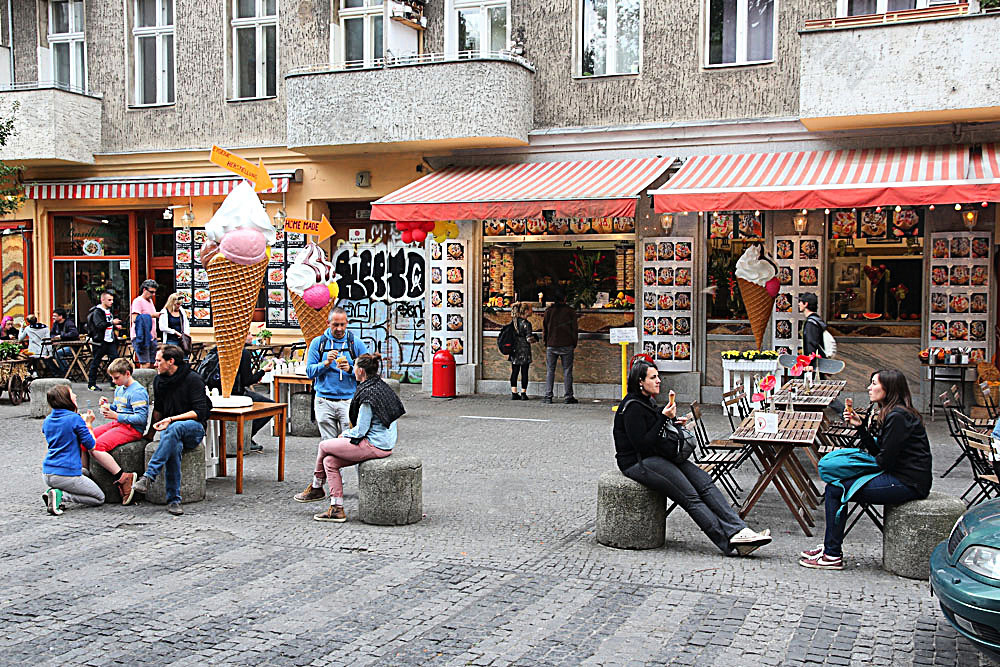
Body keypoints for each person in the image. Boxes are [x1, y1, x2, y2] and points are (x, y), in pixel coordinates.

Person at [613, 359, 771, 556]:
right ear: (640, 382)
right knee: (690, 496)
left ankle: (740, 530)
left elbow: (654, 433)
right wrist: (663, 418)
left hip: (657, 455)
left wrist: (671, 421)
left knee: (704, 482)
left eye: (658, 376)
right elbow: (642, 444)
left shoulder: (648, 402)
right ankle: (728, 543)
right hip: (638, 462)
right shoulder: (632, 407)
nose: (659, 381)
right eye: (653, 377)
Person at [800, 369, 932, 570]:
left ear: (888, 389)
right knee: (836, 486)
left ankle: (832, 554)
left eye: (874, 384)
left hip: (908, 483)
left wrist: (854, 468)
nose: (869, 388)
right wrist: (860, 427)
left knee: (836, 489)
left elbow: (883, 461)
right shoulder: (894, 412)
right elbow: (880, 452)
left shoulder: (898, 416)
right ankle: (830, 547)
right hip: (899, 475)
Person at [294, 353, 405, 522]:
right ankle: (336, 508)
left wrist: (344, 434)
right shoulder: (380, 386)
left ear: (360, 371)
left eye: (354, 367)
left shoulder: (368, 395)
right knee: (329, 462)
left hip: (375, 445)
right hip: (383, 442)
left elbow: (360, 430)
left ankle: (316, 486)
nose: (352, 370)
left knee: (324, 446)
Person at [132, 345, 210, 516]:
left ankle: (149, 476)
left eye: (159, 361)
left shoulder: (193, 379)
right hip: (171, 430)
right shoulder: (159, 380)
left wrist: (172, 419)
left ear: (171, 361)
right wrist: (150, 434)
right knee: (173, 447)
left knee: (175, 428)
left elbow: (199, 412)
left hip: (193, 428)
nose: (154, 364)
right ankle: (174, 500)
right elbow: (158, 409)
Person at [83, 358, 148, 505]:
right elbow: (120, 407)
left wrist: (117, 416)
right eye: (112, 378)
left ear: (127, 373)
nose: (114, 381)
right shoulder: (120, 388)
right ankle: (84, 474)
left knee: (97, 446)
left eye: (116, 378)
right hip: (118, 423)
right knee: (85, 438)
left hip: (132, 429)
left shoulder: (138, 391)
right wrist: (108, 406)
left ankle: (123, 477)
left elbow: (141, 418)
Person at [40, 384, 104, 514]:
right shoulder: (75, 419)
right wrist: (88, 424)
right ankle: (61, 496)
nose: (75, 395)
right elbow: (91, 444)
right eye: (72, 394)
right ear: (65, 399)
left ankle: (52, 493)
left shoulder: (47, 420)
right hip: (65, 473)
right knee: (99, 498)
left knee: (85, 473)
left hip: (48, 472)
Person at [306, 307, 369, 440]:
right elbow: (310, 372)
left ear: (347, 323)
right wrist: (326, 363)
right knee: (328, 443)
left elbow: (368, 373)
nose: (339, 329)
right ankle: (329, 462)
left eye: (342, 324)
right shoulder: (318, 343)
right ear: (328, 323)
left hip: (349, 400)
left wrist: (351, 369)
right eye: (335, 325)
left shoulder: (356, 343)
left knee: (349, 443)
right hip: (323, 400)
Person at [236, 333, 276, 452]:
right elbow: (247, 381)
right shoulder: (243, 353)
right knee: (270, 406)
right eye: (248, 333)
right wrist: (263, 371)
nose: (251, 336)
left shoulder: (216, 350)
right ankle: (246, 437)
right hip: (237, 394)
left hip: (216, 393)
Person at [543, 290, 578, 404]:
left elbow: (545, 328)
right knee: (567, 371)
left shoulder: (548, 311)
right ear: (565, 299)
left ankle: (548, 396)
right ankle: (568, 396)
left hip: (551, 344)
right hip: (567, 344)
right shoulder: (570, 311)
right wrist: (574, 343)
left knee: (550, 371)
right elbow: (574, 329)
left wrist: (546, 342)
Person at [87, 291, 122, 391]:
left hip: (110, 340)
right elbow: (99, 325)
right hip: (100, 341)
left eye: (112, 300)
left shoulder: (108, 311)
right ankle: (91, 384)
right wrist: (112, 322)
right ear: (103, 300)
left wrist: (115, 326)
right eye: (109, 300)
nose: (111, 302)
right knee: (96, 362)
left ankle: (113, 382)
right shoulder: (98, 311)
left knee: (114, 361)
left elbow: (107, 325)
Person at [508, 302, 536, 401]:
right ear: (526, 311)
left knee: (514, 371)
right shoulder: (527, 324)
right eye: (530, 309)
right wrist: (535, 338)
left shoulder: (514, 322)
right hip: (524, 351)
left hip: (514, 350)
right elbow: (529, 339)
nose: (532, 311)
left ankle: (514, 392)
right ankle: (523, 393)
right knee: (524, 372)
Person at [130, 279, 159, 368]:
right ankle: (144, 382)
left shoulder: (150, 301)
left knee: (153, 363)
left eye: (154, 292)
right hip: (141, 337)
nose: (153, 295)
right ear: (144, 290)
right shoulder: (138, 301)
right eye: (151, 292)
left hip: (151, 337)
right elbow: (135, 318)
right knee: (145, 363)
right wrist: (153, 315)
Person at [48, 308, 80, 375]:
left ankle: (66, 372)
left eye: (55, 316)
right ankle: (57, 372)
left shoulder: (69, 323)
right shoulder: (55, 324)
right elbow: (52, 333)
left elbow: (74, 333)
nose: (53, 317)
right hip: (60, 345)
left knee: (58, 353)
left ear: (61, 316)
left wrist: (61, 336)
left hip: (72, 347)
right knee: (45, 355)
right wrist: (54, 338)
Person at [799, 293, 826, 357]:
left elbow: (811, 345)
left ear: (806, 304)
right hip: (820, 359)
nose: (799, 304)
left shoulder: (811, 323)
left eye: (800, 302)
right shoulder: (817, 320)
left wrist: (810, 363)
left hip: (815, 361)